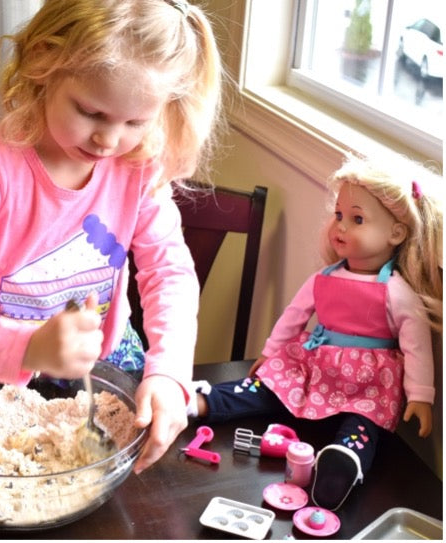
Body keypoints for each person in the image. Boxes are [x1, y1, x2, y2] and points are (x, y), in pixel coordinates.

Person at [0, 0, 224, 475]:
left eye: (136, 122)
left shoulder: (138, 168)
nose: (109, 141)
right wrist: (28, 347)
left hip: (109, 356)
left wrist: (171, 371)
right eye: (92, 111)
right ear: (41, 63)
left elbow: (169, 272)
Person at [189, 153, 443, 510]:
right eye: (339, 215)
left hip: (367, 381)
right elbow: (293, 317)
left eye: (357, 219)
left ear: (396, 233)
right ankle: (202, 401)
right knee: (268, 385)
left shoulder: (397, 292)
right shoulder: (324, 278)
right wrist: (271, 352)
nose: (340, 226)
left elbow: (416, 345)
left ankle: (341, 464)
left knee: (363, 423)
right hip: (314, 367)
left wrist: (420, 396)